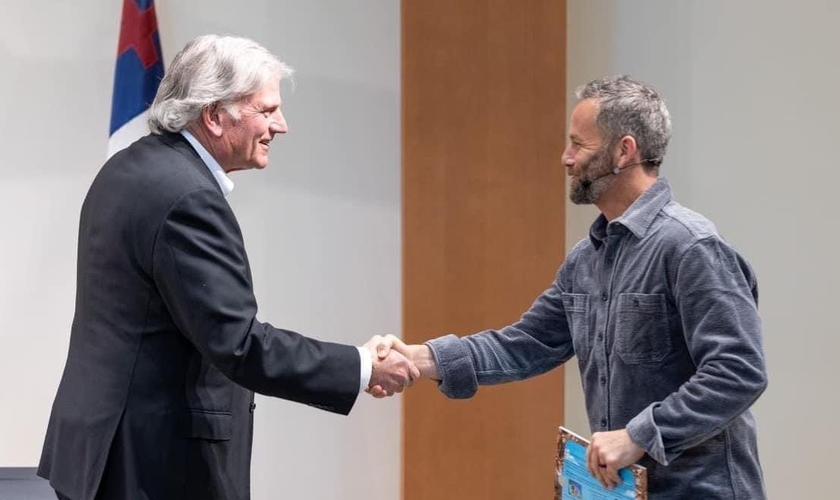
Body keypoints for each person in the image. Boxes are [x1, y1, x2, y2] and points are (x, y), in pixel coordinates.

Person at [38, 34, 416, 500]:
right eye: (267, 109)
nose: (282, 125)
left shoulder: (129, 168)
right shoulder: (187, 198)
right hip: (151, 465)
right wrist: (361, 367)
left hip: (100, 450)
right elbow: (239, 344)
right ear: (215, 116)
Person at [374, 75, 768, 499]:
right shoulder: (587, 258)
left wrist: (640, 434)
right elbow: (523, 345)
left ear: (624, 151)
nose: (566, 158)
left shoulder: (691, 246)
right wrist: (421, 357)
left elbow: (739, 371)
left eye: (579, 145)